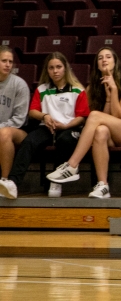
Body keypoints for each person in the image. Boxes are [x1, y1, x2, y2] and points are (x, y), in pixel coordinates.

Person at [46, 47, 121, 198]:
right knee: (100, 131)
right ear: (97, 65)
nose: (104, 60)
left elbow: (118, 115)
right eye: (100, 58)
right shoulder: (93, 87)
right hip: (108, 131)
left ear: (115, 61)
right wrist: (108, 98)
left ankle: (72, 165)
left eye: (108, 57)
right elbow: (102, 118)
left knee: (95, 116)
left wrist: (114, 89)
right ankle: (103, 185)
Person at [4, 52, 89, 199]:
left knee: (65, 141)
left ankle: (56, 182)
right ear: (47, 70)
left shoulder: (78, 89)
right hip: (47, 127)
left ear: (65, 68)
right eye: (51, 68)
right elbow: (32, 111)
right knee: (29, 141)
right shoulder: (42, 89)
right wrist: (45, 116)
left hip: (69, 127)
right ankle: (13, 183)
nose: (55, 71)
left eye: (58, 67)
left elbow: (82, 117)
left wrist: (67, 125)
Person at [0, 46, 30, 200]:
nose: (7, 64)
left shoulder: (19, 84)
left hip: (18, 130)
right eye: (4, 61)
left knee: (4, 133)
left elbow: (19, 119)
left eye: (10, 61)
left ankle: (4, 182)